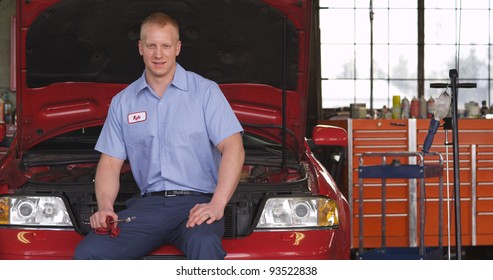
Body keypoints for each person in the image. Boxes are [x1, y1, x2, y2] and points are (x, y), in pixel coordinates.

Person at [74, 12, 244, 260]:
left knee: (204, 246)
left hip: (196, 204)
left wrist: (217, 204)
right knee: (89, 254)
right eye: (151, 46)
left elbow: (233, 147)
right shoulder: (124, 102)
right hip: (148, 207)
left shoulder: (205, 92)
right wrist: (106, 208)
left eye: (166, 46)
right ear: (140, 48)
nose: (158, 54)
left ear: (177, 48)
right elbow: (110, 163)